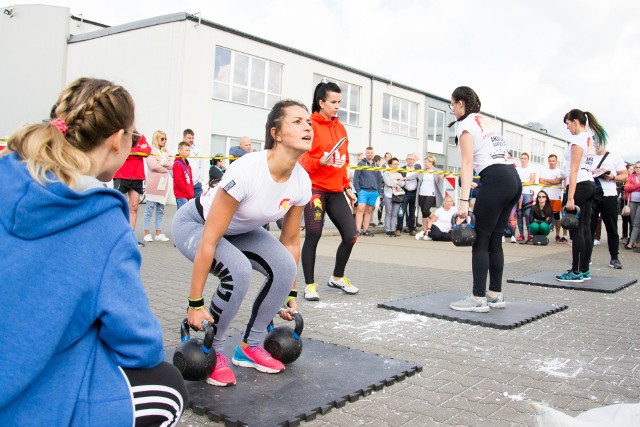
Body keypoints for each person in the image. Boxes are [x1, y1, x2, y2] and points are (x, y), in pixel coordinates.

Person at [0, 77, 187, 426]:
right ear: (117, 140)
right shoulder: (101, 218)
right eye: (133, 136)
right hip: (24, 406)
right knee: (167, 385)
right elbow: (140, 345)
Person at [172, 99, 312, 387]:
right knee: (238, 271)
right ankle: (215, 351)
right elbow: (210, 239)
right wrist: (194, 303)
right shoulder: (248, 170)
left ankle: (251, 346)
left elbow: (290, 239)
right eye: (296, 122)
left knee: (285, 268)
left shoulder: (302, 181)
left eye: (308, 122)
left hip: (239, 230)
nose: (307, 126)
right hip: (196, 225)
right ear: (276, 133)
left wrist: (289, 291)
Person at [447, 86, 521, 313]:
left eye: (452, 104)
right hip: (512, 179)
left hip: (497, 180)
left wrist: (462, 202)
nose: (451, 109)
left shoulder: (465, 125)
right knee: (495, 240)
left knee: (480, 240)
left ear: (461, 103)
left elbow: (467, 163)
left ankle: (478, 298)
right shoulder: (485, 122)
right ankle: (495, 295)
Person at [299, 81, 359, 301]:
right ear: (321, 102)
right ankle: (309, 285)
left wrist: (347, 186)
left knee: (351, 235)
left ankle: (337, 277)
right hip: (315, 189)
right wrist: (318, 162)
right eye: (333, 102)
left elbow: (344, 160)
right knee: (314, 234)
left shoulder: (340, 128)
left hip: (335, 190)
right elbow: (301, 158)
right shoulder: (310, 126)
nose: (337, 106)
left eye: (339, 102)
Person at [555, 109, 602, 283]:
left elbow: (573, 171)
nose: (567, 128)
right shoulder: (589, 139)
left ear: (575, 121)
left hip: (580, 184)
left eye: (568, 124)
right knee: (586, 229)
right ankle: (584, 270)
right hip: (589, 183)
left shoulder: (578, 140)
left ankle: (575, 272)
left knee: (577, 230)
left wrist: (571, 198)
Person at [113, 130, 151, 247]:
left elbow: (147, 151)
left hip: (137, 177)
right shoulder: (120, 136)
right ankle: (116, 236)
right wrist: (136, 152)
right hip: (121, 175)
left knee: (134, 207)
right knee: (117, 206)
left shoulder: (140, 136)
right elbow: (119, 152)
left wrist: (132, 152)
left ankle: (130, 237)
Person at [590, 147, 627, 268]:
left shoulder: (615, 156)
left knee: (611, 227)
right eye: (595, 141)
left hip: (608, 195)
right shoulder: (588, 156)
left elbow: (624, 176)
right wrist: (593, 172)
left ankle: (614, 258)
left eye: (600, 141)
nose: (597, 144)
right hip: (592, 195)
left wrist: (612, 177)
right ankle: (585, 257)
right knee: (589, 227)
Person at [143, 130, 173, 242]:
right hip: (153, 184)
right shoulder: (151, 151)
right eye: (162, 139)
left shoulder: (166, 151)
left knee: (161, 210)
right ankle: (146, 233)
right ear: (156, 139)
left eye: (165, 139)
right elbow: (153, 166)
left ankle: (158, 233)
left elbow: (172, 164)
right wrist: (165, 166)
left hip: (164, 185)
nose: (164, 141)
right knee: (149, 209)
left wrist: (161, 162)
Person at [539, 154, 566, 243]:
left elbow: (558, 181)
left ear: (556, 161)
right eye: (550, 161)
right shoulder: (544, 170)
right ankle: (542, 235)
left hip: (556, 197)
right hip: (546, 197)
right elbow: (541, 181)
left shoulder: (560, 171)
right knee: (544, 216)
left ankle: (557, 235)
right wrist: (553, 181)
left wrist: (547, 180)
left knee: (557, 217)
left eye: (553, 161)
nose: (551, 163)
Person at [354, 146, 381, 236]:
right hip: (363, 191)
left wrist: (378, 192)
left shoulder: (376, 166)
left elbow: (379, 179)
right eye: (368, 153)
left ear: (373, 154)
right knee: (360, 209)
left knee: (369, 210)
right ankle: (358, 230)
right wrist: (358, 190)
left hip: (374, 192)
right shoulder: (361, 164)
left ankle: (365, 230)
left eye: (371, 153)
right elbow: (356, 178)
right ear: (365, 154)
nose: (370, 154)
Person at [415, 155, 444, 240]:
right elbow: (413, 176)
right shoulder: (422, 171)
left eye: (426, 162)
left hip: (431, 194)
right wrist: (403, 179)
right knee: (423, 213)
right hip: (421, 193)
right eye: (425, 162)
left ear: (431, 162)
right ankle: (425, 230)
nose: (425, 163)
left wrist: (443, 175)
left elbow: (445, 173)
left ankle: (436, 220)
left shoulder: (436, 170)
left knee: (425, 210)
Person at [396, 153, 420, 236]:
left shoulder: (418, 169)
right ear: (406, 160)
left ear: (414, 160)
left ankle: (411, 229)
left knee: (412, 212)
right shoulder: (402, 169)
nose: (410, 160)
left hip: (414, 193)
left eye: (412, 159)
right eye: (409, 159)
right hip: (404, 193)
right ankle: (399, 229)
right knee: (401, 211)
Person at [516, 152, 536, 242]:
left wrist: (523, 183)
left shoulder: (531, 169)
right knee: (519, 214)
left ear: (528, 160)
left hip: (527, 192)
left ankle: (529, 233)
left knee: (528, 214)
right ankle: (521, 234)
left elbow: (532, 180)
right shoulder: (517, 169)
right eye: (522, 158)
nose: (523, 160)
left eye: (525, 158)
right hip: (518, 192)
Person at [382, 157, 405, 237]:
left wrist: (394, 181)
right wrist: (396, 182)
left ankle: (393, 229)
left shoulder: (399, 174)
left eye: (397, 164)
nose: (396, 165)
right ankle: (387, 230)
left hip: (397, 195)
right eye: (394, 164)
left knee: (395, 214)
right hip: (388, 194)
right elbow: (388, 183)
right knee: (389, 212)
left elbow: (403, 184)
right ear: (390, 164)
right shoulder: (386, 173)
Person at [182, 128, 205, 198]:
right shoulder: (178, 150)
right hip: (184, 184)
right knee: (184, 207)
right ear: (184, 138)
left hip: (196, 184)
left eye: (192, 138)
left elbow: (201, 166)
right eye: (189, 138)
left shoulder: (198, 150)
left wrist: (200, 179)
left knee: (199, 205)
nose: (191, 140)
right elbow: (172, 167)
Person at [624, 161, 640, 252]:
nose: (638, 170)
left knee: (637, 222)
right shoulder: (631, 177)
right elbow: (626, 187)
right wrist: (637, 185)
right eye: (636, 168)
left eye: (639, 168)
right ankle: (636, 242)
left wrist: (634, 186)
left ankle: (632, 243)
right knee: (634, 222)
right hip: (632, 202)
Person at [173, 141, 194, 209]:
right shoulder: (177, 164)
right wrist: (186, 190)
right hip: (181, 195)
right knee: (182, 216)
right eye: (186, 150)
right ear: (180, 150)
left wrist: (191, 192)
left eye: (189, 150)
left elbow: (190, 180)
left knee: (187, 215)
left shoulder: (188, 165)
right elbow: (178, 180)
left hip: (188, 194)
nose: (188, 152)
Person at [620, 164, 634, 244]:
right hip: (625, 202)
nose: (632, 171)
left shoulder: (635, 178)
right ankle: (624, 236)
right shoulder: (624, 178)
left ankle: (631, 236)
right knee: (625, 219)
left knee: (631, 220)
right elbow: (622, 187)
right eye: (631, 169)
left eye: (633, 169)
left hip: (632, 201)